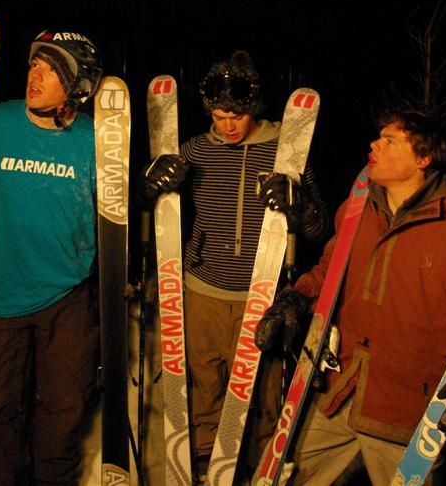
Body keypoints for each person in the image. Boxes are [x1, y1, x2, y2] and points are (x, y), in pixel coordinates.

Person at [255, 109, 446, 486]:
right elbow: (329, 269)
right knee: (280, 477)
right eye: (379, 137)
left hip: (408, 416)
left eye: (390, 141)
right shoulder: (357, 211)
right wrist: (296, 298)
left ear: (423, 159)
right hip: (336, 397)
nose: (374, 144)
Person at [141, 50, 330, 483]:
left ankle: (252, 469)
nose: (227, 125)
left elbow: (321, 224)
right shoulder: (195, 150)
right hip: (202, 286)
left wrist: (299, 208)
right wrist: (146, 188)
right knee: (204, 381)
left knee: (259, 391)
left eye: (237, 116)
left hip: (259, 293)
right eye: (220, 114)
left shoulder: (286, 153)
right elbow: (156, 206)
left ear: (254, 109)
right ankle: (205, 465)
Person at [0, 30, 104, 485]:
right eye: (33, 65)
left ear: (76, 84)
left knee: (61, 417)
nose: (33, 75)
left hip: (68, 296)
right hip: (1, 294)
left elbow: (118, 210)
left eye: (50, 68)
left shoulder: (97, 140)